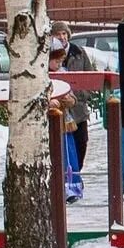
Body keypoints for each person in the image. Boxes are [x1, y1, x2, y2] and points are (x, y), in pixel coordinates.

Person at [49, 32, 95, 203]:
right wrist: (49, 103)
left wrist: (70, 100)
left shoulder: (64, 73)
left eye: (61, 61)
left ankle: (71, 186)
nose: (59, 64)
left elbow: (72, 95)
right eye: (56, 61)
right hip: (49, 125)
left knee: (69, 155)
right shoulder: (40, 77)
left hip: (64, 123)